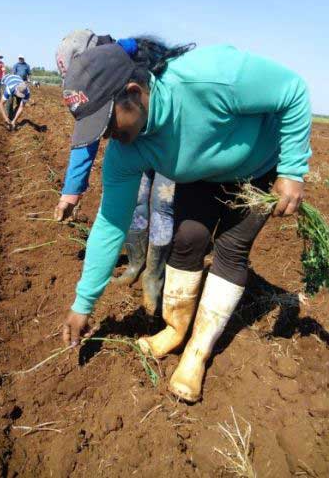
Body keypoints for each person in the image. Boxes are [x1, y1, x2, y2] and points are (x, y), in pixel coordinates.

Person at [60, 39, 311, 403]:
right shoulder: (126, 150)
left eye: (107, 123)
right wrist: (84, 303)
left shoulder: (209, 78)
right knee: (187, 241)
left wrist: (291, 169)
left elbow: (292, 90)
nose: (106, 137)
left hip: (256, 169)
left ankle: (198, 351)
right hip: (202, 176)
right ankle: (176, 330)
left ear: (134, 93)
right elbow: (111, 222)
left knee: (231, 250)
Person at [54, 30, 175, 314]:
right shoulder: (95, 84)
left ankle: (154, 275)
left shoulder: (116, 70)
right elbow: (87, 139)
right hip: (133, 146)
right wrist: (71, 191)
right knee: (135, 204)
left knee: (163, 203)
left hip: (168, 145)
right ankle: (135, 263)